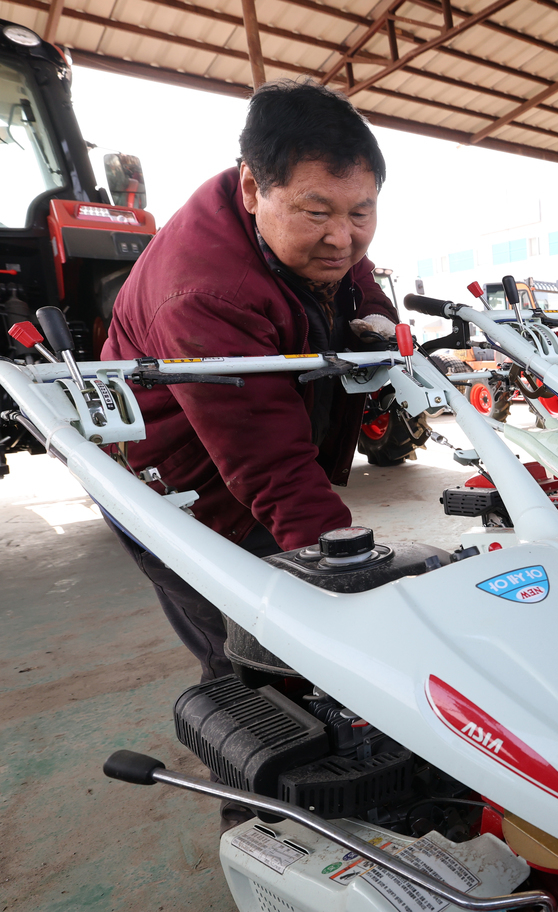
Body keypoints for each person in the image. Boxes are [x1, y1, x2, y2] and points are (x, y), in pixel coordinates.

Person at [101, 79, 399, 688]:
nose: (343, 238)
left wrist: (377, 327)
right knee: (252, 659)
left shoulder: (305, 232)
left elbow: (357, 283)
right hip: (182, 491)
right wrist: (351, 577)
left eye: (361, 212)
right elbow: (270, 464)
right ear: (252, 189)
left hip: (249, 458)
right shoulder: (203, 292)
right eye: (317, 213)